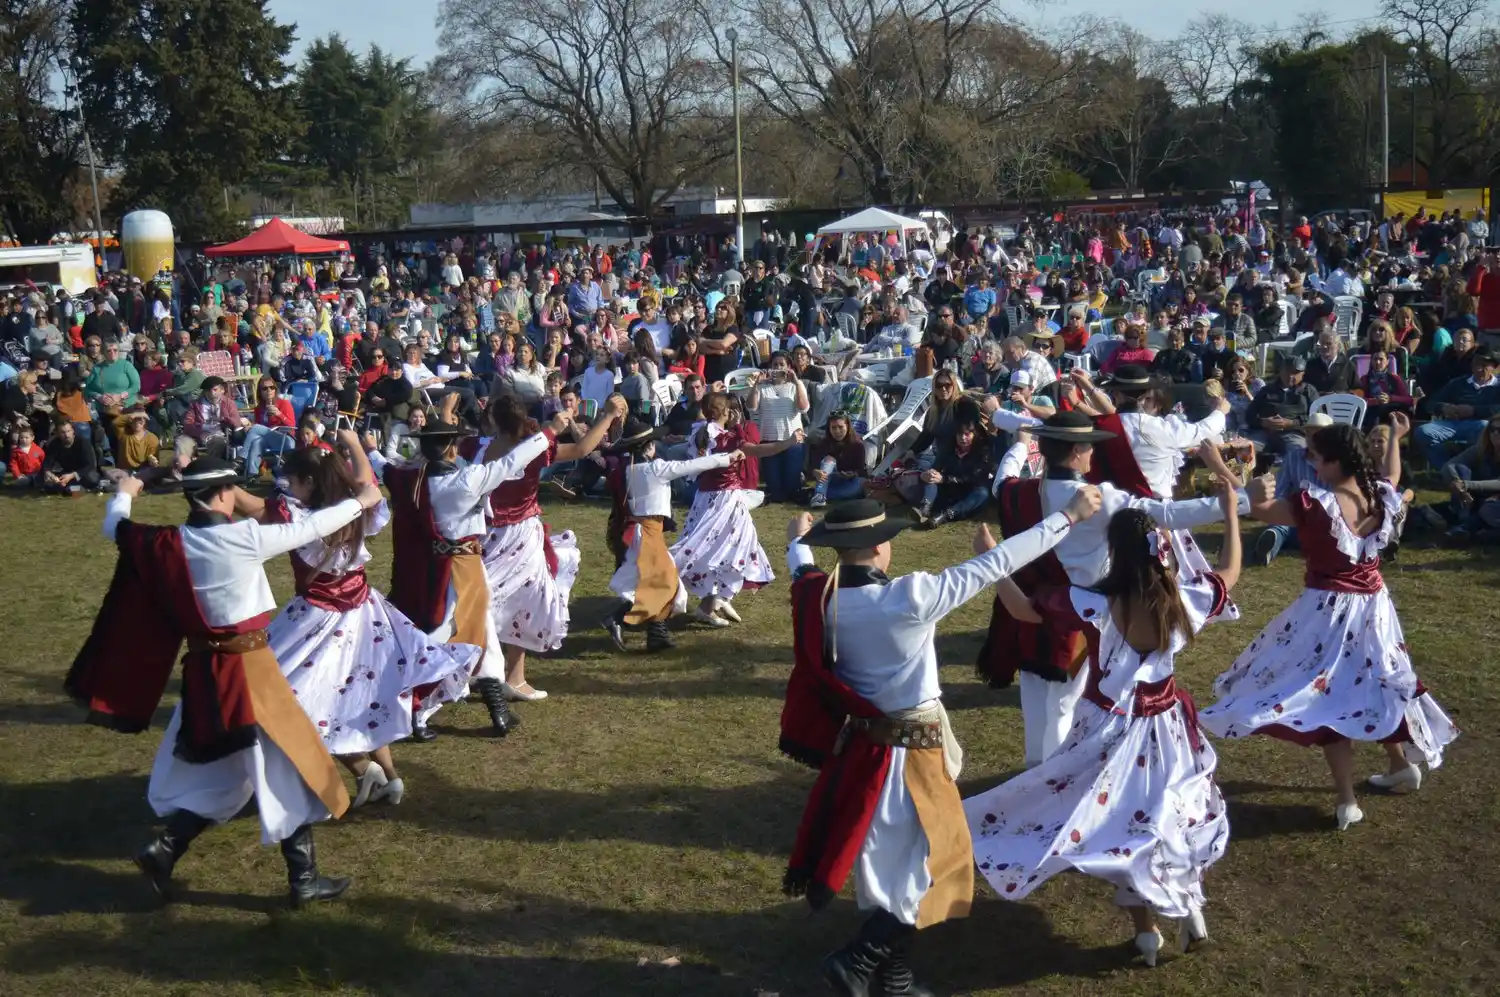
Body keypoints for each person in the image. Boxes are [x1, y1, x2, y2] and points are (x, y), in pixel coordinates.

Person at [776, 491, 1102, 997]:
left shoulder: (821, 598)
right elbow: (999, 562)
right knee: (942, 860)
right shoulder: (912, 596)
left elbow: (801, 568)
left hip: (863, 752)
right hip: (916, 756)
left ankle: (894, 979)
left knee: (894, 865)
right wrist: (1069, 516)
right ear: (880, 546)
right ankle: (857, 960)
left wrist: (798, 541)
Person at [64, 461, 384, 906]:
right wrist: (361, 502)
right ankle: (304, 880)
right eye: (232, 488)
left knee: (223, 773)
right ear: (221, 494)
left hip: (204, 671)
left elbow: (115, 527)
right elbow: (311, 528)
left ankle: (165, 850)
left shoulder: (165, 542)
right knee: (291, 766)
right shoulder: (242, 538)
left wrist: (127, 492)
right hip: (250, 673)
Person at [967, 474, 1242, 966]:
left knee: (1120, 823)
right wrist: (1232, 516)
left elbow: (1024, 610)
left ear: (1113, 552)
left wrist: (993, 559)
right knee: (1170, 811)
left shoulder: (1094, 602)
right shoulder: (1181, 599)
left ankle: (1147, 933)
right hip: (1169, 727)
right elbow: (1229, 570)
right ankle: (1188, 908)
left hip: (1111, 728)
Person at [1200, 415, 1459, 830]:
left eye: (1317, 458)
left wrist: (1219, 465)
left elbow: (1257, 508)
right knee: (1374, 681)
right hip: (1375, 607)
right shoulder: (1379, 493)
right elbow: (1392, 474)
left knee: (1328, 695)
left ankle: (1346, 798)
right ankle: (1398, 765)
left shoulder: (1316, 505)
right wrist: (1396, 437)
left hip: (1329, 610)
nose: (1313, 464)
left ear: (1336, 462)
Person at [974, 408, 1248, 767]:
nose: (1094, 452)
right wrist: (1238, 503)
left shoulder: (1017, 492)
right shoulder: (1096, 498)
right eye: (1089, 445)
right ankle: (1054, 778)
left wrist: (1021, 446)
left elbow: (1003, 479)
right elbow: (1163, 513)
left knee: (1038, 702)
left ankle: (1038, 771)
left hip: (1033, 607)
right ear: (1076, 451)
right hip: (1081, 616)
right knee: (1066, 706)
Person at [246, 439, 480, 808]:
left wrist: (219, 488)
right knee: (362, 697)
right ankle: (390, 777)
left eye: (293, 482)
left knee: (301, 699)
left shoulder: (302, 518)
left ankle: (362, 769)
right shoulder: (355, 508)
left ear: (309, 481)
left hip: (318, 619)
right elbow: (364, 481)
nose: (289, 488)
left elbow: (252, 506)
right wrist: (356, 445)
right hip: (365, 615)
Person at [373, 395, 553, 740]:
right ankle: (418, 711)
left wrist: (366, 449)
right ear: (451, 449)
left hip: (449, 566)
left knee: (482, 633)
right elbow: (511, 462)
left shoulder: (415, 480)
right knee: (451, 637)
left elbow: (385, 469)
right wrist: (549, 433)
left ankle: (497, 709)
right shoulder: (465, 481)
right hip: (460, 570)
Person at [480, 394, 625, 702]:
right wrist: (609, 415)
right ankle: (512, 677)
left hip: (488, 535)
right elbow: (583, 449)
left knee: (486, 599)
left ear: (493, 420)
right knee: (525, 602)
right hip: (521, 536)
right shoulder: (533, 449)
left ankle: (493, 672)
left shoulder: (480, 448)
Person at [602, 418, 744, 652]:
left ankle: (656, 635)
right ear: (649, 446)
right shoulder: (656, 469)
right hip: (648, 533)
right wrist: (728, 457)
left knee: (655, 581)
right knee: (665, 583)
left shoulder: (626, 470)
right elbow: (693, 465)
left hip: (636, 532)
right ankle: (618, 618)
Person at [671, 393, 800, 627]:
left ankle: (715, 600)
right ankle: (711, 602)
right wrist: (789, 442)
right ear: (725, 412)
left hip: (705, 498)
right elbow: (761, 450)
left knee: (718, 547)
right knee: (730, 547)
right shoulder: (726, 438)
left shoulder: (700, 433)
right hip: (725, 500)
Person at [1414, 346, 1500, 468]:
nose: (1478, 368)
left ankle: (1475, 468)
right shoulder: (1458, 383)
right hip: (1453, 424)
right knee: (1423, 431)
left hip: (1482, 424)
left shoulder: (1497, 387)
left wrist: (1474, 411)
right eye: (1475, 363)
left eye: (1484, 365)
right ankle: (1447, 467)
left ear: (1494, 367)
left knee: (1484, 427)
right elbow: (1431, 403)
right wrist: (1443, 407)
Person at [746, 352, 810, 502]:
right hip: (769, 442)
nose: (778, 367)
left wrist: (796, 382)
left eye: (782, 364)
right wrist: (756, 385)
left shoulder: (796, 385)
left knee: (791, 489)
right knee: (775, 491)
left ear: (789, 367)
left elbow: (803, 408)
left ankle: (797, 479)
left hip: (793, 440)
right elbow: (751, 407)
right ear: (770, 367)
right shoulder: (762, 386)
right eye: (775, 364)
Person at [914, 414, 994, 527]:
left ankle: (946, 515)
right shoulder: (948, 448)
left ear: (974, 434)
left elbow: (974, 478)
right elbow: (936, 467)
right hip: (949, 490)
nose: (963, 438)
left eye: (967, 434)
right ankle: (924, 508)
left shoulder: (983, 452)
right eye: (960, 434)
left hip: (968, 493)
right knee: (932, 476)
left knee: (982, 494)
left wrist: (945, 479)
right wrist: (927, 474)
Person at [1440, 412, 1500, 544]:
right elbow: (1449, 465)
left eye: (1499, 430)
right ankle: (1463, 521)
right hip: (1475, 497)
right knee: (1460, 469)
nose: (1495, 433)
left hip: (1493, 500)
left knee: (1488, 508)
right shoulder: (1480, 450)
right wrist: (1458, 484)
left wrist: (1466, 485)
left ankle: (1465, 527)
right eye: (1492, 429)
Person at [1245, 354, 1319, 458]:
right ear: (1280, 371)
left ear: (1303, 374)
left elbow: (1317, 417)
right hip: (1264, 432)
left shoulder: (1308, 391)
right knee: (1245, 450)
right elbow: (1249, 414)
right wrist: (1263, 422)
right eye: (1287, 371)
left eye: (1295, 373)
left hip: (1294, 433)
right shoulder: (1267, 390)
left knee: (1298, 453)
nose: (1290, 376)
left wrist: (1292, 423)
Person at [243, 377, 298, 480]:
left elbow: (292, 426)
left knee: (256, 428)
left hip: (286, 439)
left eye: (272, 387)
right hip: (268, 439)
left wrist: (279, 414)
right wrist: (250, 426)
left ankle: (241, 458)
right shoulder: (259, 408)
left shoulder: (284, 404)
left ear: (275, 390)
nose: (269, 390)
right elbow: (259, 428)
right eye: (265, 388)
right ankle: (252, 474)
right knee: (256, 442)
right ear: (260, 392)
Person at [809, 411, 867, 507]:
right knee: (829, 460)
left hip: (849, 481)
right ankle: (819, 495)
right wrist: (815, 471)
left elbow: (861, 470)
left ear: (847, 426)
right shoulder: (824, 443)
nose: (837, 431)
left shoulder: (858, 445)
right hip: (829, 479)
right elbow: (812, 466)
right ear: (829, 428)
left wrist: (852, 474)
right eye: (833, 428)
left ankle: (817, 493)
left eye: (840, 427)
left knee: (861, 483)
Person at [42, 419, 102, 493]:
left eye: (68, 431)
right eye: (63, 432)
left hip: (83, 473)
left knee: (92, 479)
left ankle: (74, 488)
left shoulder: (83, 442)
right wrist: (48, 472)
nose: (66, 435)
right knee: (47, 484)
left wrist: (73, 475)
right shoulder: (55, 444)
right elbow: (48, 461)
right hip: (66, 473)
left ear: (73, 430)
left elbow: (90, 465)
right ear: (57, 433)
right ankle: (71, 488)